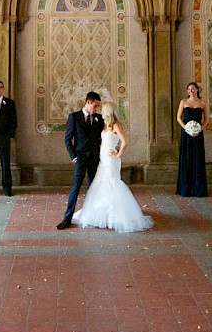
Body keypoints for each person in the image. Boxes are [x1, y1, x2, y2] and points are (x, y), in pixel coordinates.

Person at [73, 102, 153, 233]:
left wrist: (118, 153)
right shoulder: (104, 124)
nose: (101, 111)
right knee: (100, 183)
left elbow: (125, 142)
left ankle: (114, 216)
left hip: (111, 160)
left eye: (103, 110)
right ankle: (102, 214)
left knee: (112, 183)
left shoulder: (116, 125)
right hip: (103, 159)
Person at [57, 91, 103, 230]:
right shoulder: (74, 117)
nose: (96, 109)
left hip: (95, 158)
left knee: (92, 188)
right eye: (95, 106)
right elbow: (67, 139)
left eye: (98, 107)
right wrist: (73, 156)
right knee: (76, 187)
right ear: (88, 102)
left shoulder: (99, 119)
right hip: (81, 158)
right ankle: (67, 217)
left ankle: (91, 216)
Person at [175, 82, 208, 197]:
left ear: (197, 90)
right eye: (189, 89)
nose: (191, 91)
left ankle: (198, 188)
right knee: (187, 157)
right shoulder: (183, 102)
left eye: (193, 89)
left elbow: (206, 120)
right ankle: (186, 188)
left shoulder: (202, 103)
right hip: (186, 134)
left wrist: (199, 129)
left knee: (197, 159)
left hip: (198, 135)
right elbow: (178, 118)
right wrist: (187, 129)